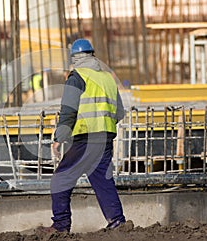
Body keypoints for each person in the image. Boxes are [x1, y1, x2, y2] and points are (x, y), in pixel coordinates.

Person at [39, 38, 126, 233]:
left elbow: (68, 110)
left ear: (75, 58)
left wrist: (59, 137)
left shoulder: (77, 76)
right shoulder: (107, 78)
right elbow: (120, 113)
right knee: (103, 180)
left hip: (85, 138)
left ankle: (61, 225)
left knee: (61, 179)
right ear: (92, 55)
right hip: (105, 138)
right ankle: (118, 223)